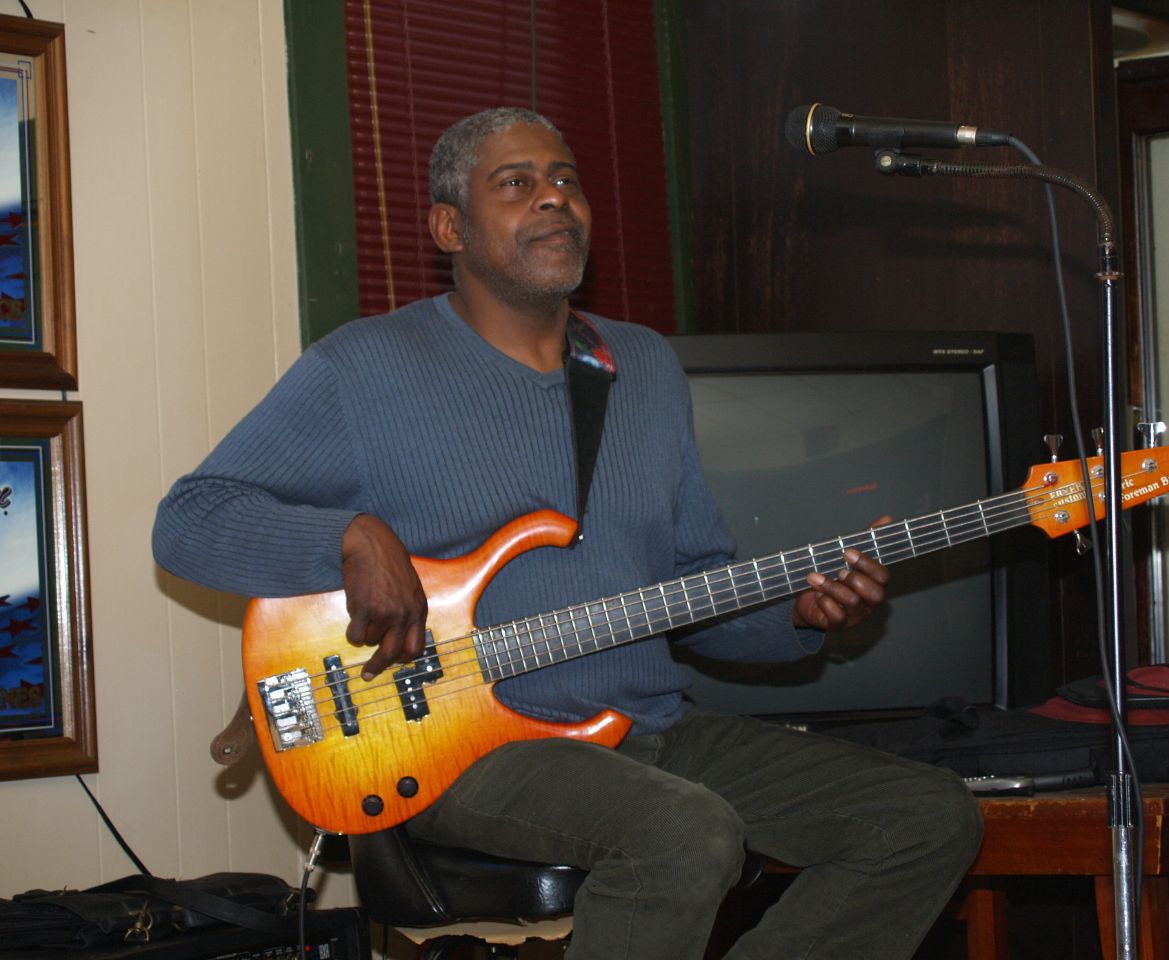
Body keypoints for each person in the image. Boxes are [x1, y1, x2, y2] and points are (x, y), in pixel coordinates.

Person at [153, 106, 982, 959]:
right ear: (450, 227)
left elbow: (692, 585)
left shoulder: (645, 367)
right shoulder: (362, 368)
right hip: (458, 744)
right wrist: (348, 538)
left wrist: (801, 618)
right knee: (682, 832)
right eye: (515, 184)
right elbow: (189, 519)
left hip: (646, 729)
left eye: (566, 180)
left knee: (924, 817)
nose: (554, 198)